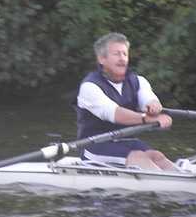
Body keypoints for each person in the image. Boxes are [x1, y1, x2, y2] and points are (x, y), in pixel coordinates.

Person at [72, 32, 179, 171]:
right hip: (95, 145)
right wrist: (148, 118)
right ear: (101, 58)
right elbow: (116, 114)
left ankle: (185, 181)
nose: (122, 59)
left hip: (128, 142)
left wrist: (153, 106)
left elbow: (149, 98)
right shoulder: (89, 87)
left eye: (125, 54)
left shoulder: (138, 81)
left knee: (157, 156)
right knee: (138, 157)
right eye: (116, 54)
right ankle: (168, 186)